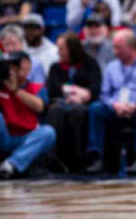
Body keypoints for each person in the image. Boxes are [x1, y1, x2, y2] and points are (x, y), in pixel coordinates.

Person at [85, 30, 136, 175]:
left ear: (131, 47)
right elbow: (104, 94)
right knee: (96, 108)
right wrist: (114, 105)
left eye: (118, 48)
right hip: (116, 108)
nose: (114, 51)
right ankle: (96, 157)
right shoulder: (111, 67)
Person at [0, 54, 56, 179]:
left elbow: (40, 106)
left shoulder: (36, 87)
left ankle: (10, 165)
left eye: (14, 67)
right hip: (5, 136)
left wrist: (15, 90)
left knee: (48, 132)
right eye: (9, 67)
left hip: (26, 138)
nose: (12, 71)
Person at [45, 32, 102, 172]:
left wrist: (80, 96)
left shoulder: (90, 63)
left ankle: (78, 159)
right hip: (60, 103)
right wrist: (75, 90)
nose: (58, 53)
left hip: (83, 104)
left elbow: (94, 89)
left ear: (71, 49)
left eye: (61, 49)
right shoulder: (55, 67)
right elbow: (53, 89)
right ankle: (53, 159)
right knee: (55, 111)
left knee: (77, 112)